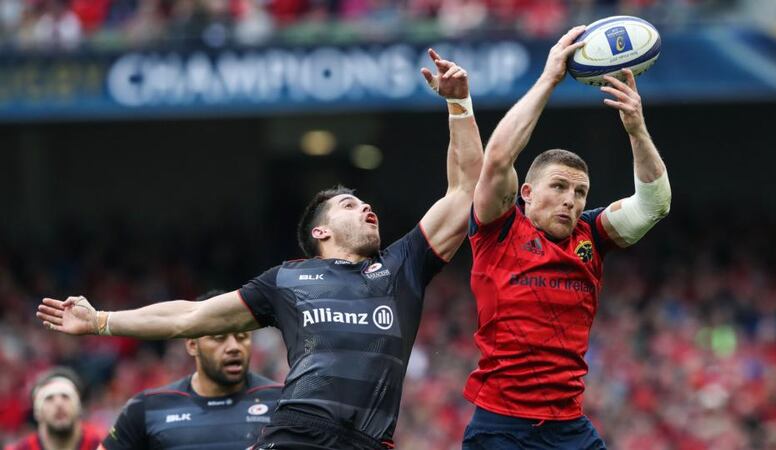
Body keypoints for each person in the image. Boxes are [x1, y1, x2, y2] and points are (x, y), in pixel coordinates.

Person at [36, 49, 483, 450]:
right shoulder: (288, 279)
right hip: (297, 435)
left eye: (366, 203)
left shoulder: (402, 265)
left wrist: (459, 103)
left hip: (369, 442)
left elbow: (465, 191)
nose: (367, 207)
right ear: (321, 231)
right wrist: (102, 321)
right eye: (349, 205)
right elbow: (190, 317)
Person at [462, 26, 671, 449]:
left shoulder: (590, 234)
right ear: (526, 192)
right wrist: (549, 79)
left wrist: (636, 129)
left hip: (570, 428)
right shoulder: (498, 229)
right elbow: (498, 158)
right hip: (502, 428)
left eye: (579, 192)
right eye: (558, 187)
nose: (570, 200)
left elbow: (655, 204)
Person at [99, 291, 282, 450]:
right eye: (219, 338)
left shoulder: (283, 403)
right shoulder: (147, 408)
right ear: (192, 345)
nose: (234, 347)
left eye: (242, 337)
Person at [4, 367, 103, 450]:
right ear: (37, 412)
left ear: (79, 406)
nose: (58, 404)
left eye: (65, 396)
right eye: (49, 398)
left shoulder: (101, 445)